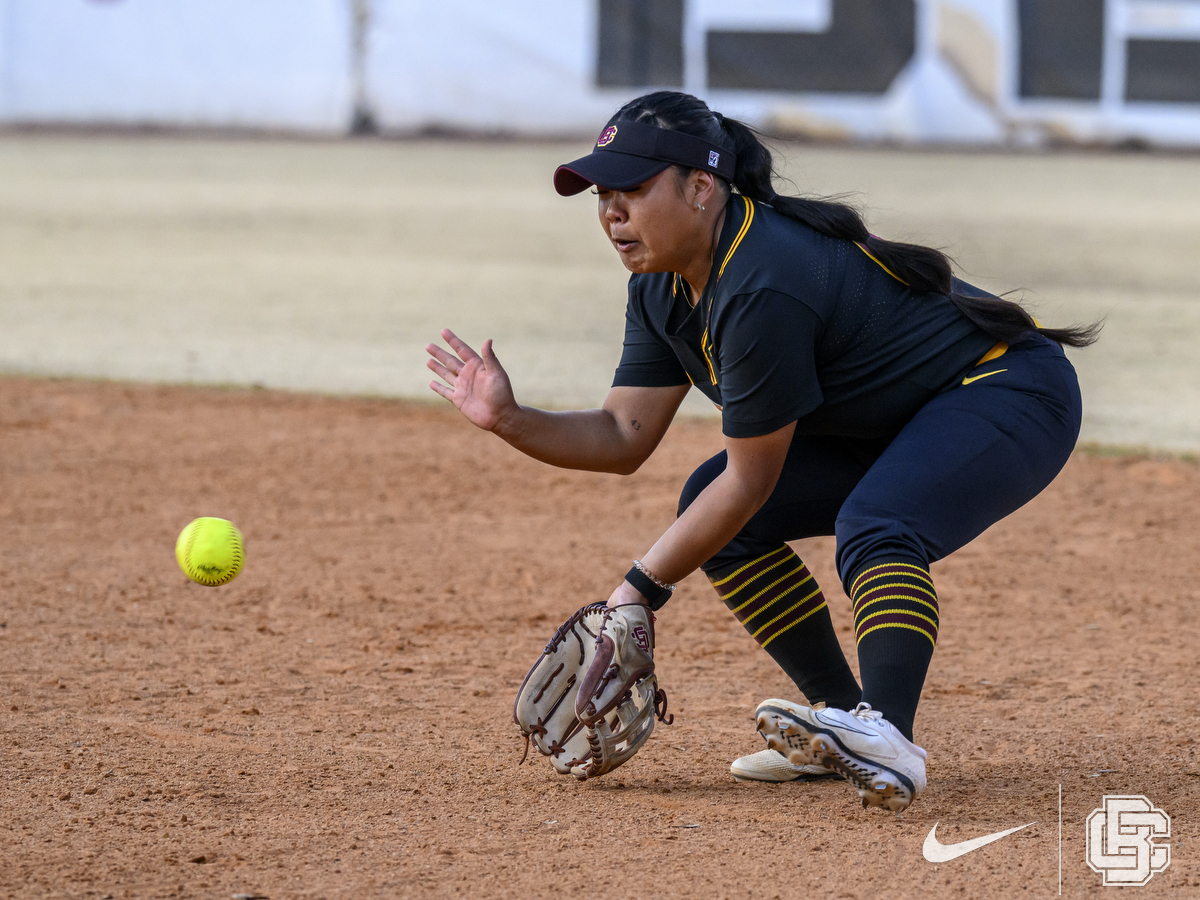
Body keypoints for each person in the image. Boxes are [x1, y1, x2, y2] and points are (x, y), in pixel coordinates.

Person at [425, 91, 1098, 813]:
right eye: (603, 193)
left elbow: (751, 479)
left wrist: (636, 593)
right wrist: (511, 419)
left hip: (1008, 390)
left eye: (633, 188)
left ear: (703, 187)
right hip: (897, 419)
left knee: (878, 524)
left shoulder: (762, 278)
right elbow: (624, 436)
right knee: (718, 516)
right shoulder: (661, 287)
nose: (612, 211)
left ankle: (887, 734)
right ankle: (840, 729)